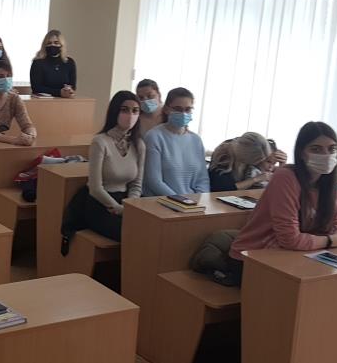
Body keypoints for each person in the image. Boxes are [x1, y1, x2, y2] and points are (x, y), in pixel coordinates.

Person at [229, 122, 337, 280]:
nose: (326, 155)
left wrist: (331, 239)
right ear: (301, 153)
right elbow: (290, 239)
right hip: (254, 258)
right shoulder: (285, 177)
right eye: (316, 149)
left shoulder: (329, 185)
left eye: (332, 149)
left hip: (300, 256)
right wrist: (330, 240)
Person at [69, 91, 145, 242]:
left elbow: (136, 184)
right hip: (102, 203)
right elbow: (95, 187)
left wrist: (129, 206)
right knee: (131, 234)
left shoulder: (139, 144)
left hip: (126, 202)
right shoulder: (100, 142)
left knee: (152, 229)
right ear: (115, 111)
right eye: (125, 110)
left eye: (135, 111)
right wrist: (118, 208)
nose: (130, 115)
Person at [142, 87, 210, 196]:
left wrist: (198, 200)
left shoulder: (196, 140)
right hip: (161, 201)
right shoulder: (154, 137)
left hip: (192, 203)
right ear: (166, 109)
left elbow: (203, 180)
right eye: (178, 109)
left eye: (188, 109)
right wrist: (181, 201)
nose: (183, 113)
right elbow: (154, 181)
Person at [208, 132, 276, 192]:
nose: (257, 163)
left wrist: (281, 166)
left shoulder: (249, 156)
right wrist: (255, 179)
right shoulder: (223, 157)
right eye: (256, 161)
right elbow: (225, 189)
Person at [30, 30, 77, 98]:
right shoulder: (38, 63)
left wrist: (69, 90)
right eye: (49, 43)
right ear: (45, 45)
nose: (52, 45)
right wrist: (59, 92)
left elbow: (73, 86)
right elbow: (36, 88)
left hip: (65, 100)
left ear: (61, 45)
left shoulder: (69, 62)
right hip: (43, 101)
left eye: (56, 43)